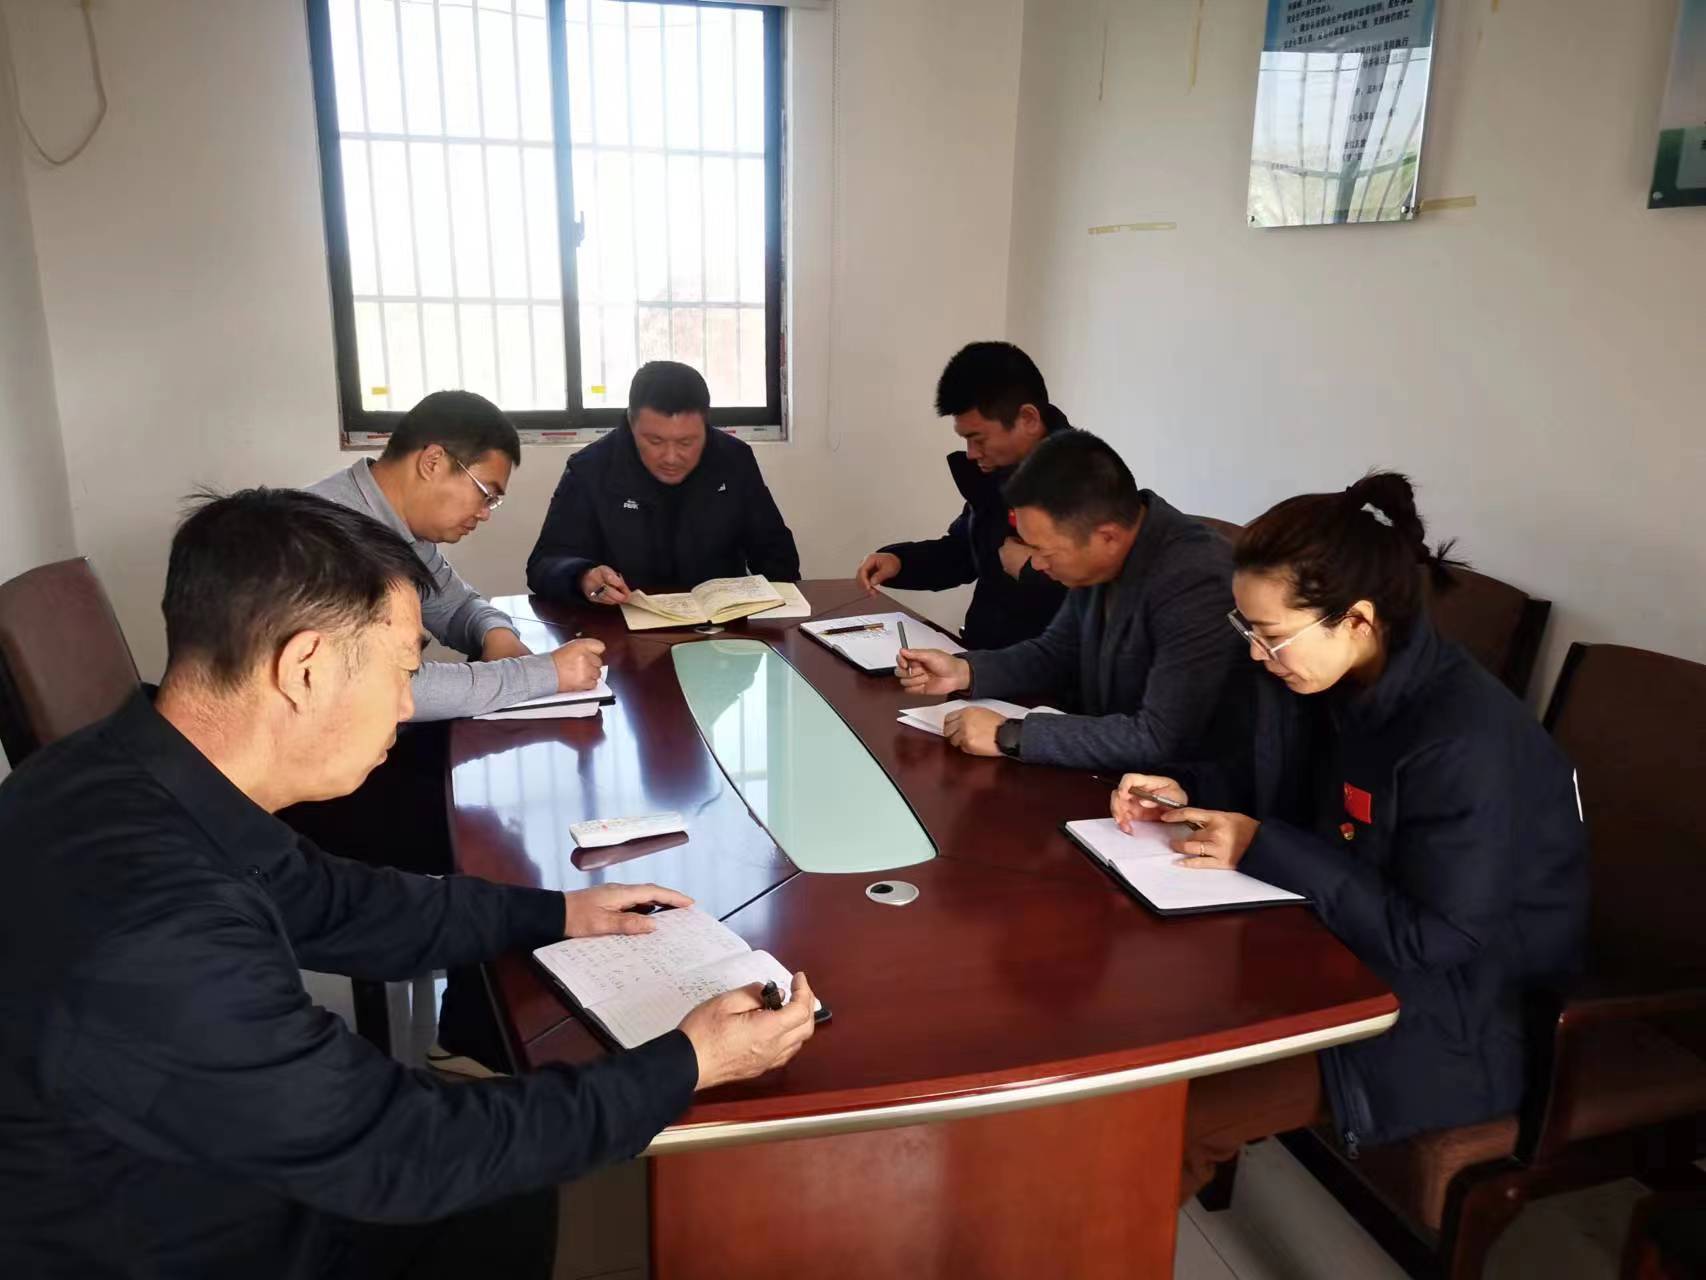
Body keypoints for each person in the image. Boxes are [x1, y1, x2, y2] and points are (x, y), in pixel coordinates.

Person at [0, 489, 817, 1279]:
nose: (405, 704)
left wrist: (556, 912)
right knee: (496, 1191)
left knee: (509, 1186)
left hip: (184, 1152)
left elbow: (339, 904)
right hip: (177, 1234)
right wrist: (687, 1062)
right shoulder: (162, 931)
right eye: (403, 670)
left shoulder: (120, 769)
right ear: (306, 668)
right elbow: (406, 1154)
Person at [1105, 473, 1587, 1199]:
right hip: (1335, 947)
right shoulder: (1330, 680)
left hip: (1452, 1014)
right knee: (1133, 1022)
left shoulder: (1464, 742)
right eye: (1247, 630)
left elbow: (1440, 940)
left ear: (1357, 619)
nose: (1256, 654)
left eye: (1270, 636)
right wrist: (1182, 791)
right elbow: (1280, 787)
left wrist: (1260, 844)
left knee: (1172, 1117)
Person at [895, 429, 1238, 772]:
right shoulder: (1104, 553)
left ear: (1107, 537)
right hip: (1104, 769)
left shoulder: (1198, 580)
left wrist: (1010, 734)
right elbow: (1056, 653)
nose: (1036, 565)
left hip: (1175, 789)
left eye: (1044, 552)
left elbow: (1159, 737)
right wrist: (965, 671)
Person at [308, 389, 604, 721]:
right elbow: (382, 685)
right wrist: (540, 674)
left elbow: (456, 607)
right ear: (432, 462)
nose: (485, 513)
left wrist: (497, 634)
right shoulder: (321, 535)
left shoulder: (403, 527)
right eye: (486, 493)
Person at [526, 361, 800, 604]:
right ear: (631, 423)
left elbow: (775, 552)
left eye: (686, 442)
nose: (671, 457)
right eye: (655, 441)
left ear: (705, 426)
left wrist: (784, 615)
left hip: (721, 626)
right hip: (621, 627)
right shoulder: (591, 469)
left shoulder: (734, 460)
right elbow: (544, 563)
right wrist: (583, 576)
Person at [854, 341, 1070, 648]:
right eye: (965, 439)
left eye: (978, 439)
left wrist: (1028, 570)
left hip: (1042, 671)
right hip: (981, 661)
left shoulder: (1088, 482)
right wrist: (899, 562)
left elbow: (1096, 600)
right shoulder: (999, 474)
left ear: (1028, 420)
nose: (970, 453)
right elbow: (963, 552)